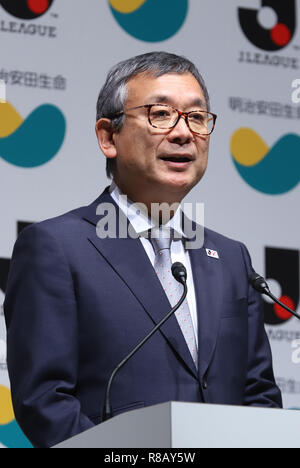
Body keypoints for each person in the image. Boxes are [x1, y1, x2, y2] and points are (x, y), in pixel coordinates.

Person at [4, 52, 282, 448]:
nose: (184, 133)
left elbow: (260, 397)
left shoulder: (231, 258)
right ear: (108, 136)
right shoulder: (56, 248)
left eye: (197, 118)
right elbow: (44, 402)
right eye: (161, 114)